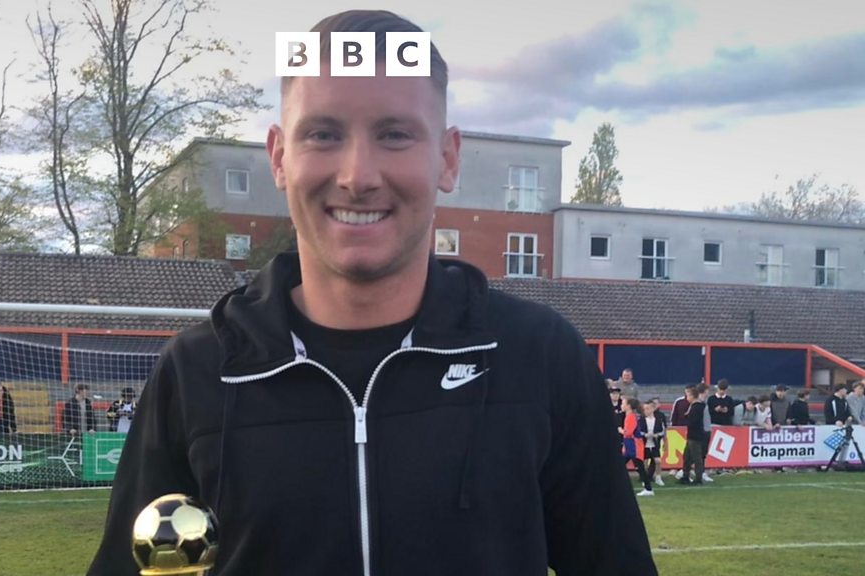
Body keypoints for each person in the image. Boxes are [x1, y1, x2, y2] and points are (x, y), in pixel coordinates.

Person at [90, 10, 656, 576]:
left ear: (448, 158)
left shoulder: (538, 355)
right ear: (280, 157)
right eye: (323, 134)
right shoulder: (199, 370)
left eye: (394, 135)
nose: (357, 176)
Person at [621, 398, 653, 496]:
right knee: (620, 465)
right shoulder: (629, 416)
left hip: (634, 446)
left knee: (640, 468)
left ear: (628, 406)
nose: (621, 405)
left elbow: (628, 433)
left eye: (623, 403)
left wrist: (620, 430)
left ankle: (648, 489)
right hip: (630, 446)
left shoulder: (631, 417)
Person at [679, 387, 706, 485]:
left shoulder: (697, 407)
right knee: (687, 456)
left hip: (695, 436)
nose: (686, 398)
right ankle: (685, 476)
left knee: (696, 458)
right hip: (692, 435)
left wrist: (687, 417)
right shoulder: (695, 406)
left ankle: (698, 478)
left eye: (688, 395)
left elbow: (692, 422)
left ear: (692, 396)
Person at [639, 399, 667, 488]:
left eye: (647, 408)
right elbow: (639, 431)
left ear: (652, 409)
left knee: (658, 461)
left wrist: (657, 435)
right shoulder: (642, 419)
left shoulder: (658, 419)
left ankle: (658, 477)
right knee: (645, 462)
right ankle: (645, 479)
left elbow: (662, 431)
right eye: (644, 409)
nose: (646, 411)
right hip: (645, 443)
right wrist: (645, 435)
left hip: (654, 443)